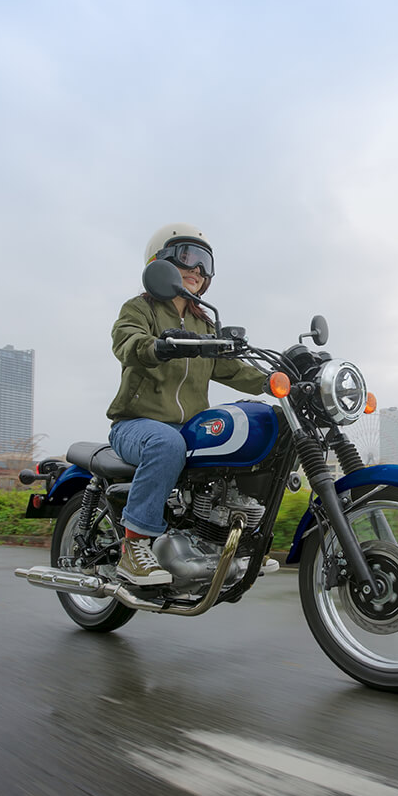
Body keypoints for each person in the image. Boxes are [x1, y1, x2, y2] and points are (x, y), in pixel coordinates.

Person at [106, 223, 269, 585]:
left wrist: (274, 380)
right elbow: (127, 342)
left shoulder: (203, 323)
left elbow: (231, 368)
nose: (196, 269)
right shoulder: (139, 309)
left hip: (187, 428)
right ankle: (133, 547)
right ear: (160, 261)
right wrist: (157, 345)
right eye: (186, 256)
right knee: (167, 443)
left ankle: (225, 541)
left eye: (203, 262)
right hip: (137, 425)